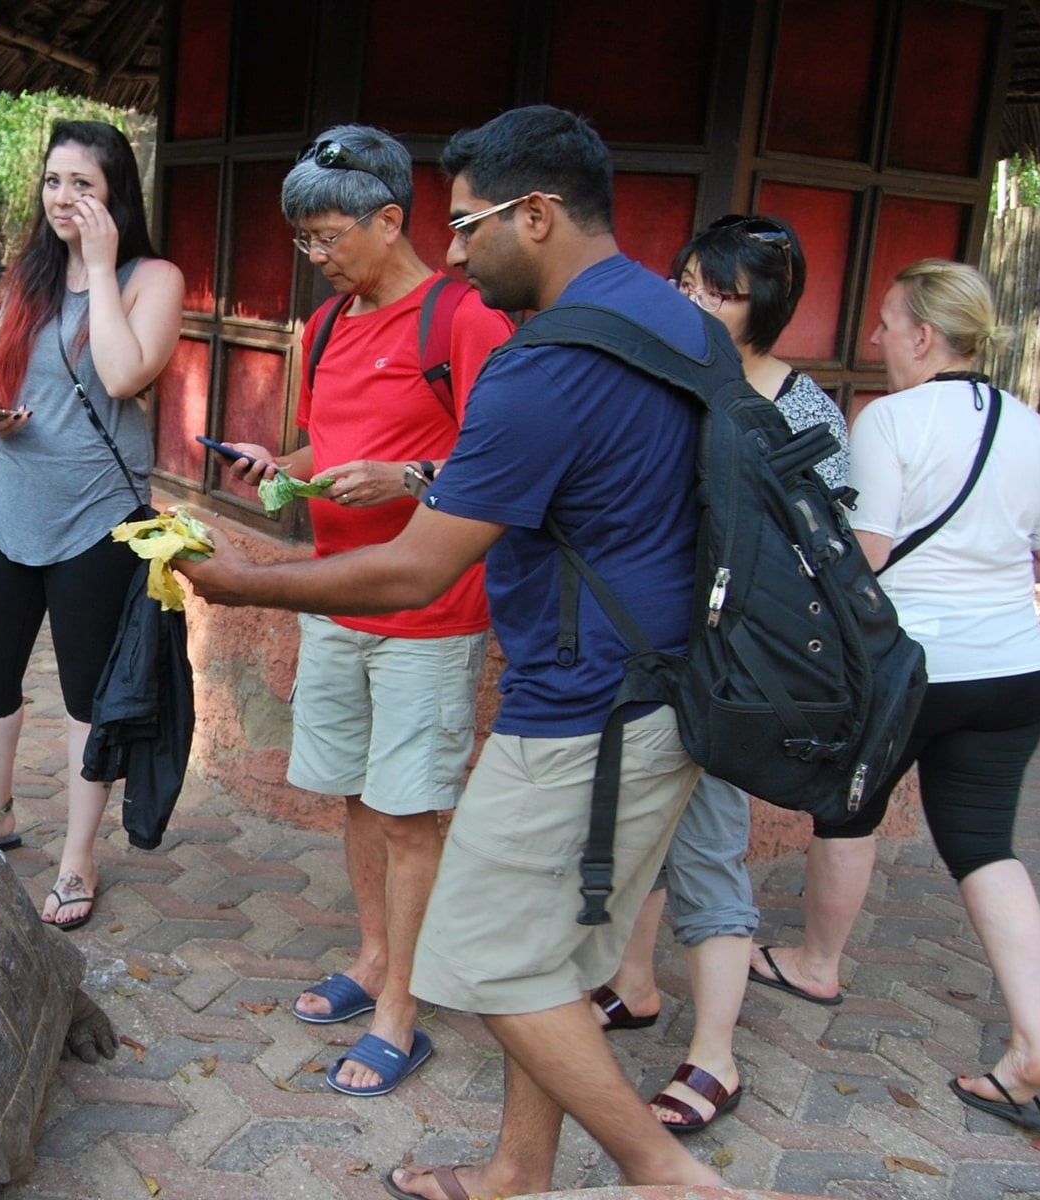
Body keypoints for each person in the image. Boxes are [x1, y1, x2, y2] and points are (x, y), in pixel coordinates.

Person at [178, 105, 724, 1197]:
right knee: (556, 959)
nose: (459, 249)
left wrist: (243, 582)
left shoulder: (537, 361)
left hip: (584, 705)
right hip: (664, 688)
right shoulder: (680, 320)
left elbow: (417, 567)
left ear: (538, 212)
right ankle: (518, 1171)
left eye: (471, 225)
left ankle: (660, 1171)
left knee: (484, 952)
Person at [216, 124, 513, 1097]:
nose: (318, 255)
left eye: (330, 235)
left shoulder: (464, 319)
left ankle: (402, 1014)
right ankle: (375, 956)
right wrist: (281, 468)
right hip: (337, 603)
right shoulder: (330, 325)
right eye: (305, 240)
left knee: (412, 810)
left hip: (428, 609)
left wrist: (410, 475)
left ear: (392, 219)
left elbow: (507, 460)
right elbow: (320, 449)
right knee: (355, 789)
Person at [748, 259, 1040, 1131]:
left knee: (849, 810)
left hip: (912, 669)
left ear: (925, 336)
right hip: (1018, 670)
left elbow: (865, 558)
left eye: (886, 323)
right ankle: (1034, 1038)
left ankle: (816, 962)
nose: (876, 338)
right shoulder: (1033, 426)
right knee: (985, 843)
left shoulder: (887, 420)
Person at [590, 214, 850, 1134]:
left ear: (763, 305)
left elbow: (829, 548)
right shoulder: (661, 375)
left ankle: (716, 1059)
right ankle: (633, 986)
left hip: (726, 669)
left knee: (706, 848)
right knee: (634, 834)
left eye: (719, 290)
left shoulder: (801, 408)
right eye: (688, 279)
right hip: (641, 648)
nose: (693, 299)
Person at [0, 120, 183, 930]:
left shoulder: (153, 276)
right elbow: (0, 374)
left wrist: (97, 267)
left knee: (88, 691)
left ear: (114, 192)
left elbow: (123, 374)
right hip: (10, 503)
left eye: (83, 185)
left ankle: (79, 857)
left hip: (98, 517)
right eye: (53, 181)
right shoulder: (28, 272)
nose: (64, 198)